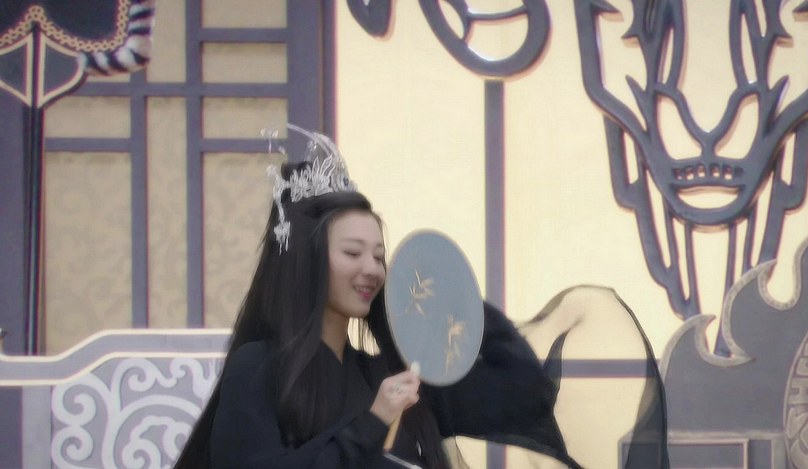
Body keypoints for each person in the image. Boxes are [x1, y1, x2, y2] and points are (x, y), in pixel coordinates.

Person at [173, 128, 659, 468]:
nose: (372, 268)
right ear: (307, 260)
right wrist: (372, 423)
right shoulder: (260, 368)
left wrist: (459, 307)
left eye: (379, 256)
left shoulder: (383, 375)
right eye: (353, 252)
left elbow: (522, 394)